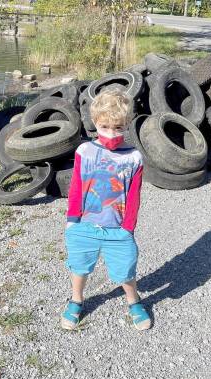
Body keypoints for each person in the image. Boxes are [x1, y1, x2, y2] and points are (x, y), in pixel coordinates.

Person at [60, 89, 151, 331]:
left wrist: (128, 228)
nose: (111, 133)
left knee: (125, 269)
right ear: (95, 123)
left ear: (127, 124)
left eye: (118, 127)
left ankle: (134, 301)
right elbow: (77, 187)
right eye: (105, 126)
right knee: (80, 266)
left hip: (117, 229)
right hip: (84, 225)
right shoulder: (84, 151)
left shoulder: (133, 158)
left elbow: (134, 196)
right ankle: (76, 299)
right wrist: (72, 220)